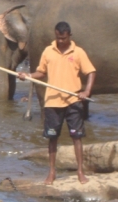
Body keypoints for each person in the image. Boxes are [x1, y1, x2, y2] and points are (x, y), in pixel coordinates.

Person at [18, 21, 96, 185]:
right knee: (52, 138)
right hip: (53, 102)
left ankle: (80, 172)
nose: (60, 41)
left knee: (77, 137)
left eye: (64, 38)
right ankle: (52, 172)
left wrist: (86, 91)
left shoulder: (78, 52)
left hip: (73, 101)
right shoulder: (48, 51)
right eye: (58, 38)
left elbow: (91, 72)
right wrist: (28, 76)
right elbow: (41, 72)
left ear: (69, 36)